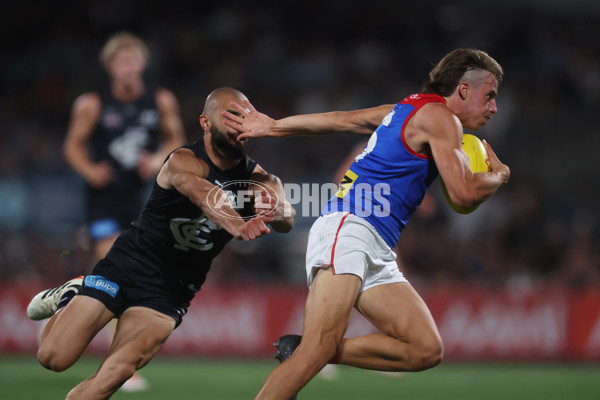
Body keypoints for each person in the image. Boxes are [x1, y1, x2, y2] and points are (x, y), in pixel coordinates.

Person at [223, 48, 510, 399]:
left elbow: (341, 119)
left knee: (425, 348)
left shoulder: (407, 109)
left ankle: (314, 347)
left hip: (374, 242)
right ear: (464, 90)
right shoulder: (441, 118)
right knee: (316, 352)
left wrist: (274, 126)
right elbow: (464, 194)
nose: (493, 107)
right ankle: (315, 348)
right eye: (490, 95)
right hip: (351, 228)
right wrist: (499, 176)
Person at [27, 87, 296, 400]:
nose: (241, 126)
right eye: (232, 118)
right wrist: (236, 224)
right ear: (206, 123)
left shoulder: (260, 179)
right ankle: (73, 291)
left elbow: (287, 215)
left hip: (171, 292)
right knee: (53, 358)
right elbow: (200, 192)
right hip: (126, 267)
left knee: (117, 372)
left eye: (247, 118)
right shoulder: (183, 160)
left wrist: (276, 211)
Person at [62, 31, 186, 391]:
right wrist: (90, 170)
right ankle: (122, 369)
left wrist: (156, 158)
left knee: (116, 274)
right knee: (117, 271)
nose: (128, 68)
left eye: (133, 61)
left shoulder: (159, 100)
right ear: (111, 67)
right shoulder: (92, 104)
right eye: (121, 62)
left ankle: (67, 303)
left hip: (139, 200)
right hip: (102, 200)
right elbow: (72, 146)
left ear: (142, 64)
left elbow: (175, 138)